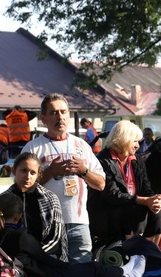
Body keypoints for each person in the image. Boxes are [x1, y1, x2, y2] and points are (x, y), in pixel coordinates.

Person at [0, 192, 145, 277]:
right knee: (92, 269)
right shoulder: (20, 235)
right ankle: (125, 272)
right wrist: (68, 268)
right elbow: (44, 258)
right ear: (18, 216)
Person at [21, 93, 105, 263]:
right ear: (43, 118)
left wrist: (84, 171)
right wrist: (50, 172)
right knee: (53, 275)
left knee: (83, 274)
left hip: (78, 222)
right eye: (54, 113)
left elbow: (101, 184)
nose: (60, 116)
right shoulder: (33, 148)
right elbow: (21, 187)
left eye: (63, 112)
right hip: (47, 225)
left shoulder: (81, 145)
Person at [88, 120, 161, 244]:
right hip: (108, 211)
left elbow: (146, 187)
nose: (138, 146)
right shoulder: (103, 161)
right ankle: (134, 252)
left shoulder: (136, 160)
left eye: (138, 142)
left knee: (157, 213)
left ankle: (150, 252)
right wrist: (143, 201)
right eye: (134, 141)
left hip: (131, 204)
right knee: (137, 211)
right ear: (123, 139)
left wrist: (154, 200)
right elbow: (113, 195)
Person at [5, 152, 68, 260]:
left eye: (33, 172)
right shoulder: (3, 199)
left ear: (38, 175)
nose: (27, 176)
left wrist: (33, 255)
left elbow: (55, 239)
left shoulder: (50, 199)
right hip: (12, 260)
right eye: (23, 170)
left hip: (45, 259)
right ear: (14, 171)